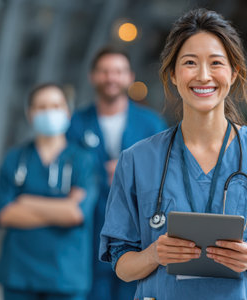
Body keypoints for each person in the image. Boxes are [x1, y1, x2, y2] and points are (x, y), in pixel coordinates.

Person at [99, 8, 247, 300]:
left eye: (216, 63)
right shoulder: (137, 160)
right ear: (172, 74)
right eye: (190, 63)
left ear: (234, 73)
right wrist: (154, 254)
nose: (203, 76)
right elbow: (122, 265)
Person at [66, 46, 167, 300]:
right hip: (89, 231)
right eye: (104, 71)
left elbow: (169, 174)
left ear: (130, 76)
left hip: (138, 233)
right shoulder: (75, 124)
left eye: (118, 71)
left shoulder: (151, 124)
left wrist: (131, 175)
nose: (111, 77)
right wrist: (95, 175)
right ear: (92, 76)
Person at [0, 83, 97, 300]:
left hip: (65, 275)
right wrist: (61, 207)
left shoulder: (82, 160)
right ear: (30, 114)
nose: (49, 112)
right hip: (19, 273)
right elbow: (4, 214)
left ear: (67, 113)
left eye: (56, 106)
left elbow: (74, 214)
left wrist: (25, 201)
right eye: (41, 107)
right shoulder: (15, 158)